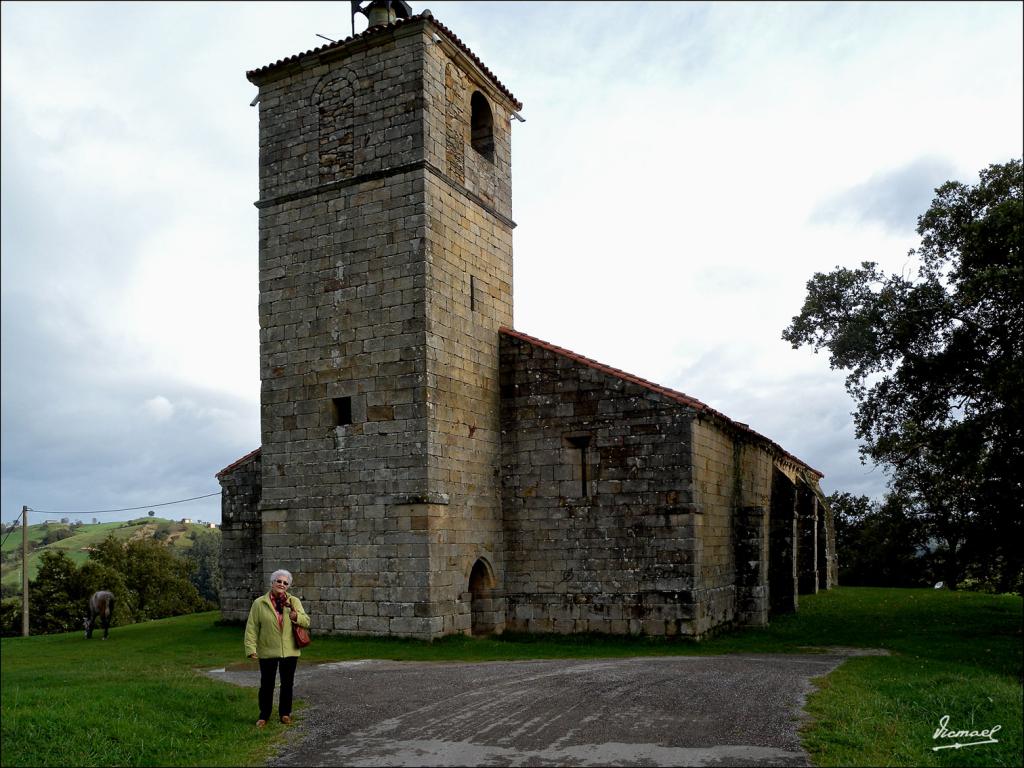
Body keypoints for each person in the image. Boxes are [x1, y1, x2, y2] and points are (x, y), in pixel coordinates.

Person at [244, 568, 311, 728]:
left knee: (287, 684)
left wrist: (296, 617)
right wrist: (250, 648)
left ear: (288, 586)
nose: (282, 584)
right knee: (267, 684)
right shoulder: (259, 603)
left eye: (285, 582)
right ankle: (264, 715)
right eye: (279, 581)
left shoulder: (294, 601)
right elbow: (252, 627)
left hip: (290, 651)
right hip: (268, 650)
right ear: (272, 582)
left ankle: (285, 714)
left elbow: (306, 621)